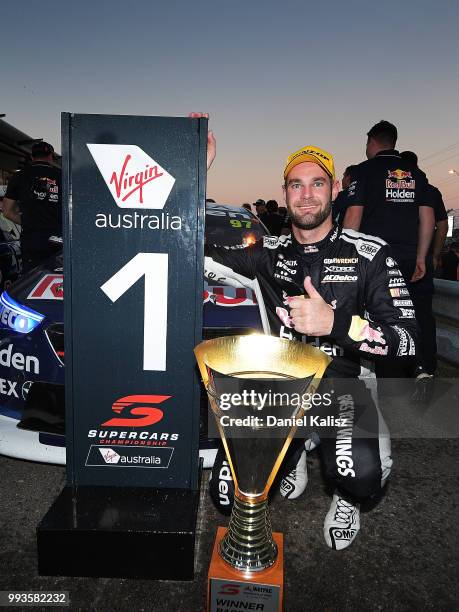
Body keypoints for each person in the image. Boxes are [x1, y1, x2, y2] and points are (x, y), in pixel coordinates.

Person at [198, 120, 417, 551]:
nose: (306, 194)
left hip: (342, 387)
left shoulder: (369, 253)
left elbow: (407, 342)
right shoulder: (268, 252)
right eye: (296, 185)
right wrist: (196, 174)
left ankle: (344, 496)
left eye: (317, 183)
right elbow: (188, 241)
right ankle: (294, 451)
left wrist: (336, 324)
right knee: (225, 495)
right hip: (279, 389)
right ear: (285, 193)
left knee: (360, 476)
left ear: (334, 189)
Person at [342, 121, 435, 386]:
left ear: (372, 141)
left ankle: (390, 383)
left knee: (381, 319)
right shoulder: (416, 174)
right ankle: (420, 367)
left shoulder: (363, 171)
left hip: (376, 261)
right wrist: (421, 257)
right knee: (410, 316)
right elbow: (427, 218)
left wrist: (347, 256)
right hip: (408, 258)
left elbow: (354, 214)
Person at [399, 151, 448, 402]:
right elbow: (442, 225)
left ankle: (404, 368)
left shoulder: (395, 191)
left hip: (398, 260)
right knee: (423, 316)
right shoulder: (430, 190)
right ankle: (427, 367)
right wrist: (435, 254)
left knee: (397, 315)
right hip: (422, 261)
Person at [3, 141, 61, 272]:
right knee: (58, 278)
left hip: (32, 238)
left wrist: (28, 222)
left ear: (32, 157)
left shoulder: (20, 175)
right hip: (58, 238)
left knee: (32, 280)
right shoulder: (62, 176)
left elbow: (6, 211)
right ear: (51, 156)